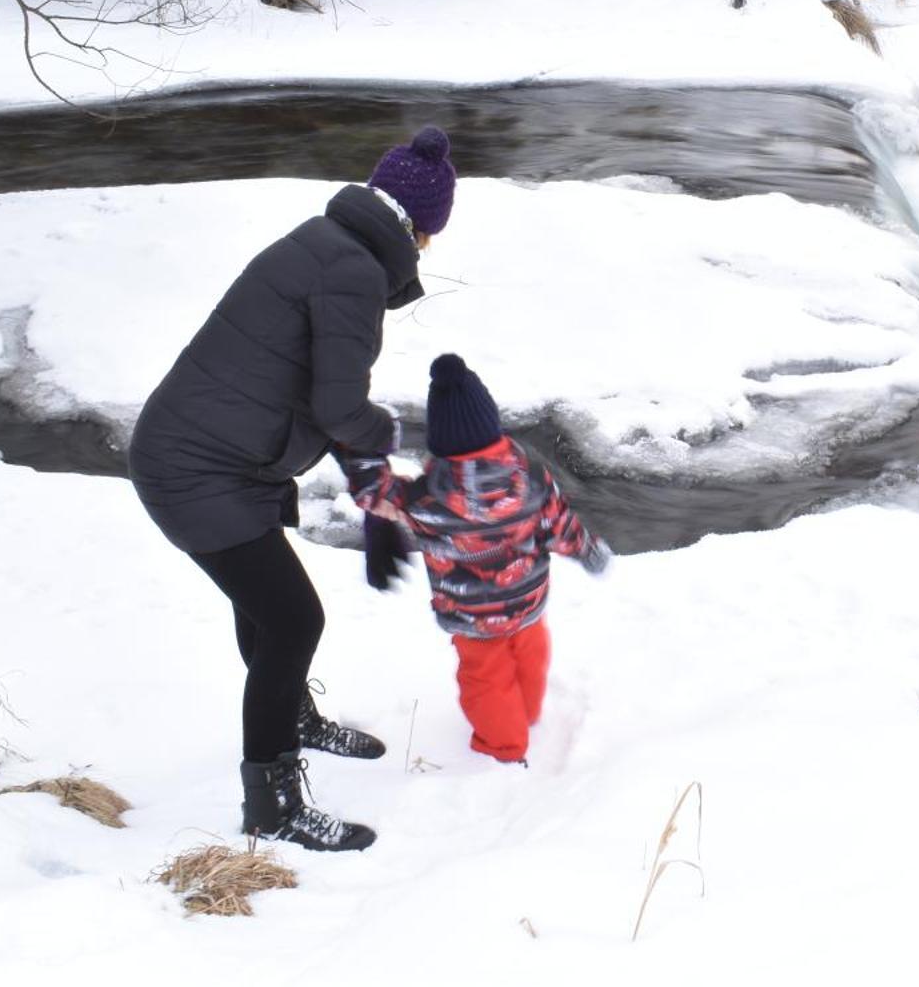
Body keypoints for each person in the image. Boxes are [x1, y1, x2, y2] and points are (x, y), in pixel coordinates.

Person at [127, 128, 457, 851]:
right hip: (198, 469)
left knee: (265, 606)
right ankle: (271, 801)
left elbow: (319, 390)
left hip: (217, 455)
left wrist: (371, 479)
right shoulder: (354, 273)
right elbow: (342, 409)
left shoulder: (326, 241)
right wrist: (385, 437)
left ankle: (293, 715)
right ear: (422, 228)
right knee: (292, 621)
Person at [351, 353, 613, 765]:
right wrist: (589, 551)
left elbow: (374, 494)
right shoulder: (532, 478)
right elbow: (561, 525)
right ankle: (526, 713)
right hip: (527, 602)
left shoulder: (426, 500)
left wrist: (361, 447)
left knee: (486, 679)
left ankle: (503, 748)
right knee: (531, 652)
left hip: (472, 615)